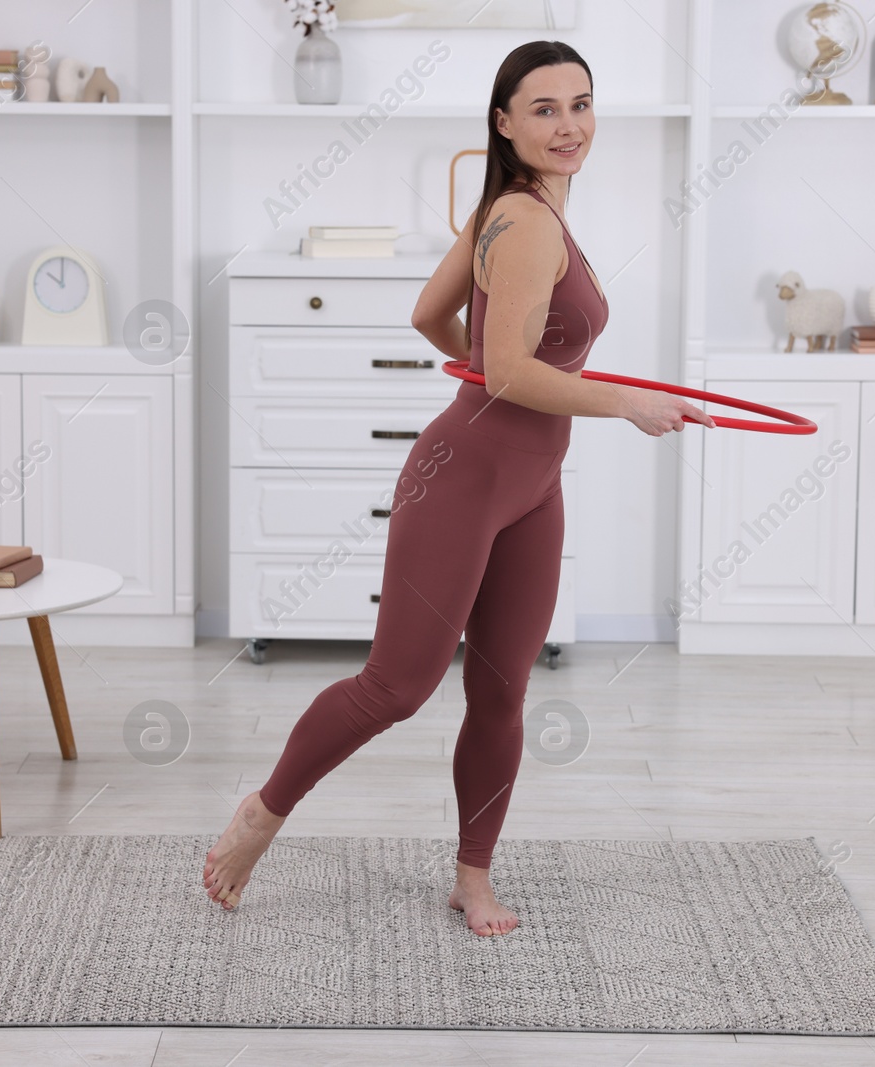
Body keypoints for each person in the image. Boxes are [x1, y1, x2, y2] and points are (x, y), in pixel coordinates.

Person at [204, 40, 714, 936]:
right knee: (396, 687)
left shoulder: (513, 213)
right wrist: (628, 401)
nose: (569, 125)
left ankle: (472, 876)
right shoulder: (523, 223)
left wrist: (483, 361)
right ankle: (262, 811)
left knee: (503, 691)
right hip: (465, 476)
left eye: (582, 104)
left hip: (532, 483)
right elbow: (512, 373)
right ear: (504, 121)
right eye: (545, 108)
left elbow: (428, 318)